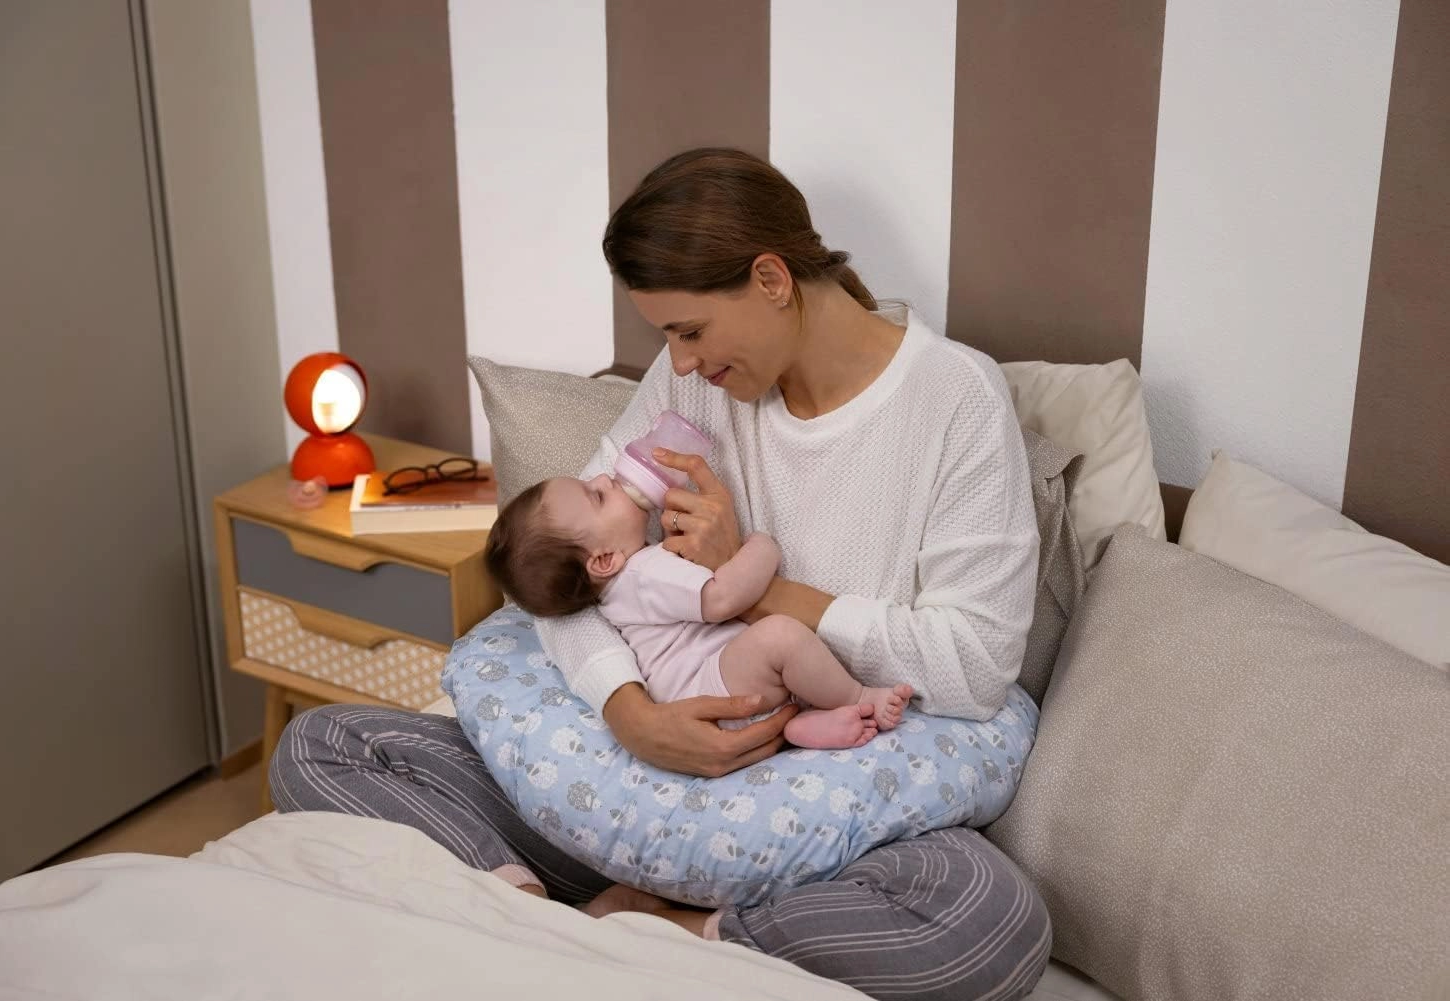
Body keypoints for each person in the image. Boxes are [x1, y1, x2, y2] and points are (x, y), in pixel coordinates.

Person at [271, 147, 1051, 1000]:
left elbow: (975, 666)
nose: (678, 364)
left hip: (817, 813)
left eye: (689, 331)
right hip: (639, 795)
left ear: (771, 279)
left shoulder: (955, 402)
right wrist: (630, 712)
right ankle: (531, 907)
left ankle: (680, 923)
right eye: (667, 338)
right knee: (323, 743)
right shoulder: (696, 386)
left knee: (991, 924)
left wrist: (758, 590)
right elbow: (571, 575)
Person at [484, 473, 914, 749]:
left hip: (707, 697)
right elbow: (721, 598)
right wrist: (761, 546)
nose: (604, 477)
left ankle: (802, 724)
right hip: (709, 688)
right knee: (780, 636)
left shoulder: (618, 588)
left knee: (771, 650)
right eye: (597, 496)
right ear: (604, 560)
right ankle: (860, 698)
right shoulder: (643, 572)